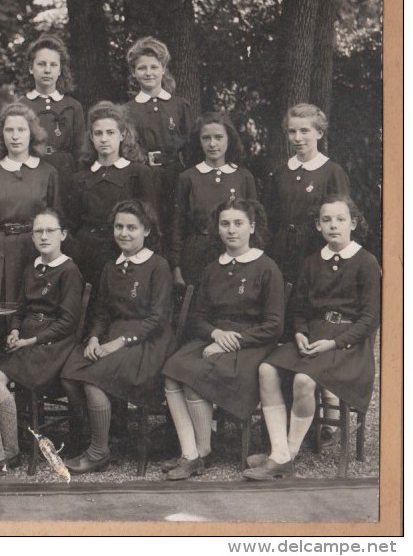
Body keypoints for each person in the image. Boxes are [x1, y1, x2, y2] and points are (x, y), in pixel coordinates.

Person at [243, 195, 380, 480]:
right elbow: (299, 309)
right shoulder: (311, 262)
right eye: (326, 220)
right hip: (313, 337)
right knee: (267, 368)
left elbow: (369, 319)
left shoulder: (366, 262)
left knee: (304, 380)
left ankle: (287, 454)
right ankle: (279, 452)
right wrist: (300, 332)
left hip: (348, 346)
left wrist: (334, 342)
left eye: (340, 219)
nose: (334, 226)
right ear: (318, 225)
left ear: (353, 223)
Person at [160, 198, 284, 480]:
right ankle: (190, 452)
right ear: (217, 229)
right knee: (172, 369)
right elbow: (198, 318)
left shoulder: (267, 268)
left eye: (238, 223)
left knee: (193, 375)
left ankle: (201, 453)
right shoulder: (212, 269)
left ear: (251, 227)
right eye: (225, 224)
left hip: (252, 344)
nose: (231, 230)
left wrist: (235, 340)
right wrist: (215, 333)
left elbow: (274, 325)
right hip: (215, 338)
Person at [0, 209, 83, 478]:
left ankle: (10, 451)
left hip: (52, 346)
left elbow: (68, 323)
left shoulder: (69, 270)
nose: (44, 236)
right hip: (26, 339)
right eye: (38, 231)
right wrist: (15, 331)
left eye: (50, 230)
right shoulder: (32, 268)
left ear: (63, 234)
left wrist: (31, 339)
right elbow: (20, 309)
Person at [60, 199, 174, 473]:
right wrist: (94, 339)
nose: (124, 233)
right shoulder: (111, 266)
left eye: (132, 228)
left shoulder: (158, 266)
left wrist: (120, 343)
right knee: (70, 372)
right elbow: (101, 312)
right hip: (112, 337)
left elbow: (157, 319)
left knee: (94, 380)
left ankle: (99, 452)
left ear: (146, 231)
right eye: (119, 227)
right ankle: (104, 433)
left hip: (148, 342)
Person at [0, 102, 60, 306]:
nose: (15, 136)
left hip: (35, 251)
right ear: (0, 134)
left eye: (21, 130)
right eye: (9, 130)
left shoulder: (47, 173)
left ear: (32, 134)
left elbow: (58, 227)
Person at [69, 101, 155, 291]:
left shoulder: (138, 173)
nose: (104, 139)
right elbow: (72, 225)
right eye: (98, 133)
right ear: (91, 137)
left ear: (123, 134)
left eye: (110, 132)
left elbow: (148, 222)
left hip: (124, 252)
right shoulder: (80, 178)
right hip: (87, 257)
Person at [264, 103, 351, 287]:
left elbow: (343, 223)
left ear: (319, 133)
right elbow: (268, 220)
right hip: (279, 253)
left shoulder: (332, 172)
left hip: (315, 253)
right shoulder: (280, 173)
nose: (297, 138)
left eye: (304, 131)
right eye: (292, 132)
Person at [171, 112, 258, 289]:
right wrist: (176, 268)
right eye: (206, 138)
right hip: (196, 256)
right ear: (199, 141)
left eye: (218, 137)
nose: (212, 144)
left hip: (235, 254)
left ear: (229, 139)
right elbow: (177, 224)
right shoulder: (188, 178)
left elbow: (255, 225)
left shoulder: (244, 177)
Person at [123, 36, 193, 238]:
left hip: (175, 176)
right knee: (149, 226)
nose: (149, 73)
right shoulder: (128, 110)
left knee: (177, 225)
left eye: (154, 67)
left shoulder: (179, 105)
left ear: (163, 69)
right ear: (134, 73)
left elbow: (190, 146)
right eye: (142, 68)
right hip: (145, 178)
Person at [19, 35, 85, 197]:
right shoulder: (21, 106)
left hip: (66, 176)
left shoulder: (73, 106)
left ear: (60, 69)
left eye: (53, 65)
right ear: (31, 68)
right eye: (41, 64)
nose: (47, 70)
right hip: (31, 174)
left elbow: (81, 151)